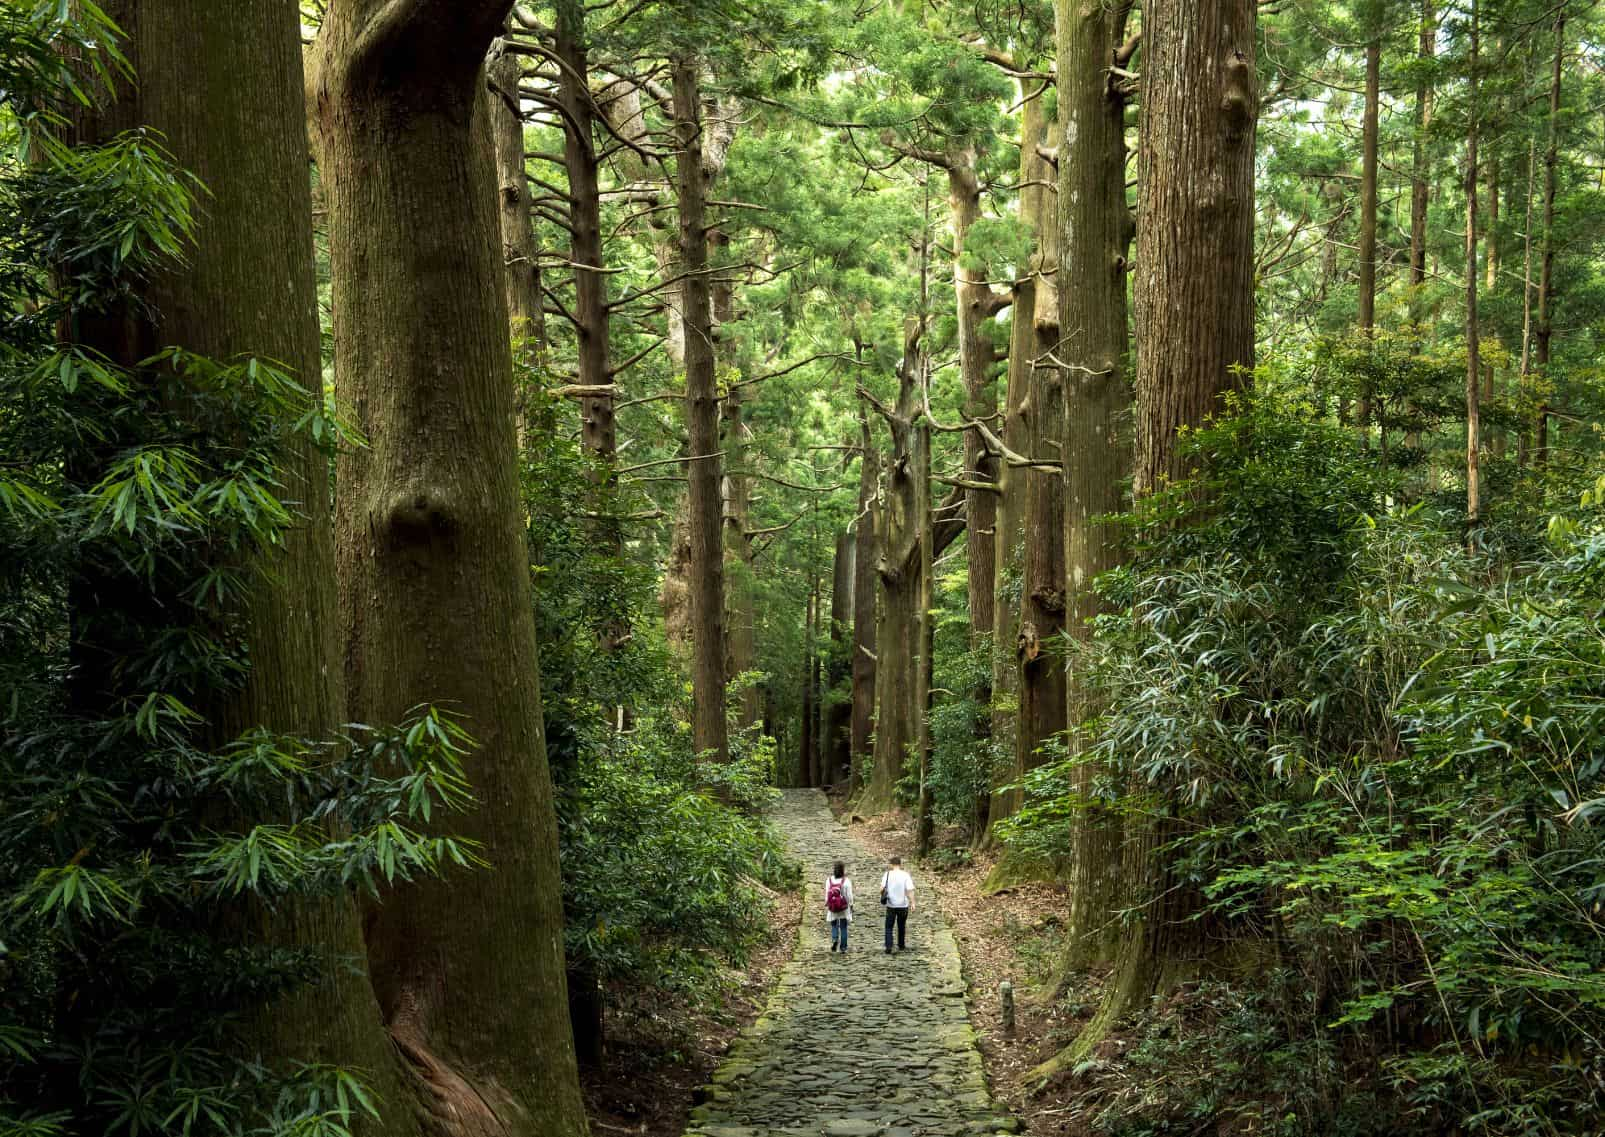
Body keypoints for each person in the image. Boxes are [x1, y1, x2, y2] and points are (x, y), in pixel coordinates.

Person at [880, 855, 914, 953]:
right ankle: (901, 944)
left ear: (891, 864)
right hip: (903, 905)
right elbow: (910, 890)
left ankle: (889, 946)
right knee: (901, 925)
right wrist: (912, 902)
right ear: (900, 864)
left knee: (889, 926)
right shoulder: (905, 875)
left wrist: (883, 893)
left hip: (891, 904)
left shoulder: (887, 875)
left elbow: (881, 889)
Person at [824, 860, 854, 953]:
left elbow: (827, 894)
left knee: (834, 924)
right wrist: (851, 904)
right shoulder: (846, 881)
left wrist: (827, 903)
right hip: (843, 907)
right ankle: (843, 947)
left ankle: (835, 939)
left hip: (833, 906)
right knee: (843, 926)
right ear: (843, 870)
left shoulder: (829, 880)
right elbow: (849, 896)